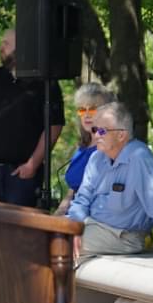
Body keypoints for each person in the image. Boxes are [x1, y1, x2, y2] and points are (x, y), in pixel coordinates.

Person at [66, 102, 153, 259]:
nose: (96, 135)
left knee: (54, 242)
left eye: (102, 130)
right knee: (39, 232)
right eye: (94, 129)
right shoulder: (96, 158)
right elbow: (82, 199)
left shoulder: (139, 157)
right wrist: (73, 227)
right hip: (91, 226)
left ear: (121, 135)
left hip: (123, 236)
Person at [0, 29, 64, 207]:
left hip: (21, 175)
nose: (1, 48)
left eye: (6, 44)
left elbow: (54, 126)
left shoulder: (44, 83)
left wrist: (32, 164)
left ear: (21, 49)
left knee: (17, 232)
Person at [55, 82, 116, 215]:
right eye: (82, 109)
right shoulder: (83, 147)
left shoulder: (110, 148)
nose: (87, 114)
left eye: (93, 109)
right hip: (73, 217)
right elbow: (73, 189)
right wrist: (59, 212)